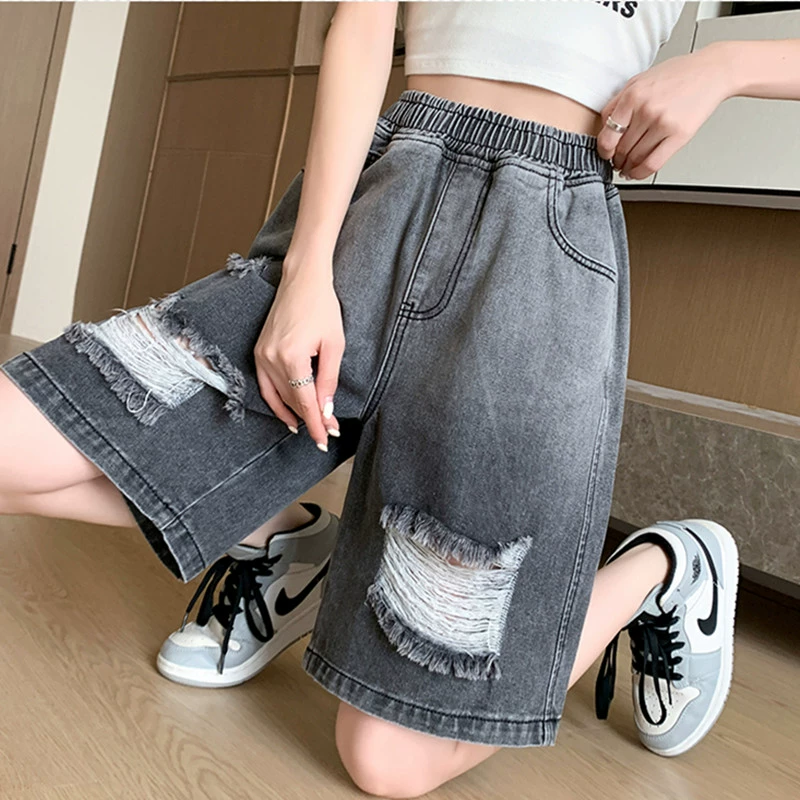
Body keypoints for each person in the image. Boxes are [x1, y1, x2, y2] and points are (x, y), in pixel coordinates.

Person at [1, 1, 798, 796]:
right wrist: (308, 273)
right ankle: (284, 542)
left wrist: (725, 66)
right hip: (384, 194)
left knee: (388, 762)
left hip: (542, 260)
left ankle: (666, 566)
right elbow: (362, 21)